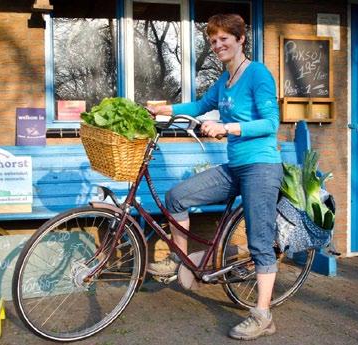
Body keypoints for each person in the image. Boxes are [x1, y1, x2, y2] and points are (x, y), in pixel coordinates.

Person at [146, 13, 282, 341]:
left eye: (224, 39)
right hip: (236, 167)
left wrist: (227, 127)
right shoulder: (224, 81)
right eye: (212, 40)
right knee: (177, 196)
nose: (217, 44)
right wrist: (163, 110)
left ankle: (263, 315)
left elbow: (271, 123)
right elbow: (198, 105)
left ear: (240, 40)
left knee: (260, 242)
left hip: (261, 166)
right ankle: (181, 260)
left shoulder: (258, 74)